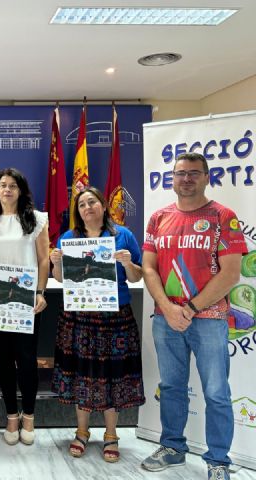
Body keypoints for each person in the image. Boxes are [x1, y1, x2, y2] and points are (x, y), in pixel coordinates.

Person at [141, 153, 247, 480]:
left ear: (206, 177)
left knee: (216, 391)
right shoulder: (158, 218)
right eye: (180, 173)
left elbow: (231, 274)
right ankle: (173, 447)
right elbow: (149, 267)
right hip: (165, 319)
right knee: (171, 386)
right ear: (172, 178)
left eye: (193, 173)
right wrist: (169, 308)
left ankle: (218, 461)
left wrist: (189, 308)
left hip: (209, 320)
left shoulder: (222, 216)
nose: (186, 179)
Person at [50, 186, 145, 463]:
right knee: (82, 373)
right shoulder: (69, 238)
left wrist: (128, 263)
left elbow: (138, 276)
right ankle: (81, 431)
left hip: (115, 318)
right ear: (77, 212)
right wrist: (56, 263)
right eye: (81, 205)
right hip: (79, 317)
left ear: (103, 206)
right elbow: (59, 279)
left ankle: (111, 434)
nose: (87, 208)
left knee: (113, 375)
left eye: (92, 202)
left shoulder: (123, 235)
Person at [0, 168, 50, 446]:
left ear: (21, 190)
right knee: (3, 358)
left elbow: (44, 260)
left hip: (26, 297)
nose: (7, 190)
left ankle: (29, 415)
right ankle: (11, 415)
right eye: (2, 185)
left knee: (27, 358)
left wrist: (41, 291)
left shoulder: (37, 219)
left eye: (13, 185)